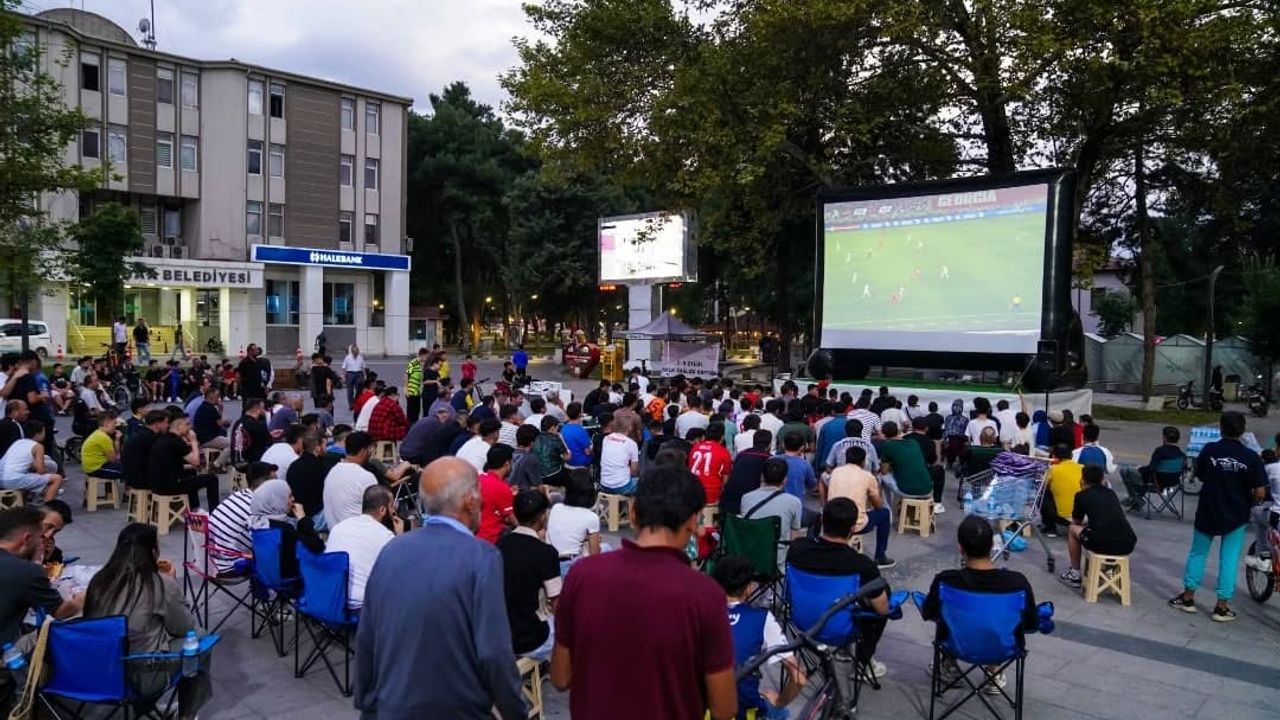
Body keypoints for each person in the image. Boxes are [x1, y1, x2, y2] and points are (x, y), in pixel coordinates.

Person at [551, 465, 737, 720]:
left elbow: (560, 677)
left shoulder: (582, 575)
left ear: (634, 514)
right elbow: (724, 708)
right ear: (693, 522)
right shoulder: (705, 595)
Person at [355, 458, 525, 719]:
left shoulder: (393, 549)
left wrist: (368, 702)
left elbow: (367, 635)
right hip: (456, 708)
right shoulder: (481, 557)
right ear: (470, 501)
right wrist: (515, 712)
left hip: (393, 705)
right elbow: (494, 652)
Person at [83, 523, 209, 719]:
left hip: (97, 670)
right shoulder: (158, 583)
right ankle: (187, 714)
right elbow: (185, 627)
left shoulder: (99, 580)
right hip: (141, 674)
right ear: (153, 551)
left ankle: (150, 708)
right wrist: (172, 583)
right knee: (200, 639)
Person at [920, 516, 1038, 694]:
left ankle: (949, 665)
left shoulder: (946, 580)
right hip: (1002, 649)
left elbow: (929, 612)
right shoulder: (1017, 583)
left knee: (946, 616)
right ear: (992, 545)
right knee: (1001, 621)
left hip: (957, 645)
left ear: (960, 548)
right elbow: (1031, 623)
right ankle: (993, 672)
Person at [1169, 412, 1266, 622]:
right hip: (1237, 514)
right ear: (1242, 431)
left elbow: (1200, 474)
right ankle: (1222, 607)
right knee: (1229, 559)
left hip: (1208, 510)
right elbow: (1260, 492)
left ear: (1221, 429)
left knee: (1198, 553)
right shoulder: (1251, 457)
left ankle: (1188, 598)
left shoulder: (1210, 449)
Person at [786, 498, 891, 678]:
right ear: (853, 529)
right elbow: (882, 609)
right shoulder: (861, 564)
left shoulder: (797, 548)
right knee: (880, 599)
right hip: (840, 629)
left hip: (801, 622)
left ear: (822, 521)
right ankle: (863, 661)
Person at [714, 556, 805, 718]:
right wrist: (779, 701)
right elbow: (798, 678)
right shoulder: (762, 618)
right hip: (742, 711)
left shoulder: (700, 614)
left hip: (704, 707)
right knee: (781, 712)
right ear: (749, 588)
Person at [0, 507, 83, 647]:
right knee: (64, 630)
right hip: (5, 650)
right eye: (40, 538)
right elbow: (60, 612)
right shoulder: (27, 572)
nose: (44, 541)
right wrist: (80, 599)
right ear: (27, 539)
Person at [498, 489, 562, 661]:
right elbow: (557, 602)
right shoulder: (545, 552)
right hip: (532, 639)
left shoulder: (500, 543)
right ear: (542, 516)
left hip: (502, 635)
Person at [1059, 464, 1137, 588]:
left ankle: (1075, 573)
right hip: (1128, 542)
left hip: (1102, 543)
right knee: (1109, 534)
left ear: (1082, 480)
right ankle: (1109, 574)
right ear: (1102, 479)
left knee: (1072, 530)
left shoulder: (1081, 496)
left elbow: (1076, 522)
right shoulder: (1111, 493)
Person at [326, 484, 402, 609]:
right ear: (383, 510)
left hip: (331, 600)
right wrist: (400, 538)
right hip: (362, 606)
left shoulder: (339, 527)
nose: (394, 511)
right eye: (392, 507)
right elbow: (402, 571)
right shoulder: (385, 536)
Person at [827, 446, 894, 568]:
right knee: (884, 513)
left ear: (846, 459)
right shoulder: (867, 476)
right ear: (864, 461)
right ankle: (880, 557)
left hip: (831, 520)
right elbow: (878, 505)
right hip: (854, 524)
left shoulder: (835, 472)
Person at [206, 461, 274, 574]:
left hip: (210, 560)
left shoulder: (241, 495)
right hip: (231, 565)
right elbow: (266, 544)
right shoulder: (257, 508)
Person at [739, 457, 804, 570]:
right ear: (785, 479)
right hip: (776, 563)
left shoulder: (746, 498)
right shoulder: (794, 502)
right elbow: (794, 539)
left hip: (749, 558)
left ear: (762, 477)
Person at [547, 469, 602, 569]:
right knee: (606, 548)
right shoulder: (591, 517)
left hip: (551, 562)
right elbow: (595, 556)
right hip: (571, 565)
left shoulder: (556, 508)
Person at [1120, 426, 1184, 512]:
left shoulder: (1160, 451)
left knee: (1125, 471)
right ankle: (1136, 499)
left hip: (1156, 481)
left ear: (1164, 438)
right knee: (1138, 476)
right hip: (1173, 482)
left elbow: (1151, 469)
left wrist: (1139, 469)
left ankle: (1135, 499)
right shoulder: (1181, 455)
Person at [322, 431, 378, 529]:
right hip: (359, 532)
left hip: (334, 531)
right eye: (369, 449)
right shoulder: (365, 477)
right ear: (363, 451)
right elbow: (377, 511)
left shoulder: (332, 472)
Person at [0, 422, 64, 503]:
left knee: (36, 470)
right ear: (37, 434)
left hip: (1, 478)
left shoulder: (18, 442)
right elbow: (41, 471)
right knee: (57, 478)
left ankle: (29, 498)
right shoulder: (37, 446)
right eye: (43, 432)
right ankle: (47, 506)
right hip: (13, 480)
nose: (44, 435)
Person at [878, 420, 936, 509]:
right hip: (928, 489)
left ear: (885, 435)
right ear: (898, 431)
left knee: (881, 477)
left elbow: (884, 471)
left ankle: (888, 510)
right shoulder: (914, 443)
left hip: (907, 491)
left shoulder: (888, 446)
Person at [719, 430, 773, 516]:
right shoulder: (769, 459)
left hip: (728, 501)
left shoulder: (742, 454)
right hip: (750, 504)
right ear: (769, 445)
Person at [1247, 450, 1280, 570]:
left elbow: (1260, 491)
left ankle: (1263, 556)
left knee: (1256, 512)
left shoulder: (1271, 468)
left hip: (1277, 514)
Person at [477, 444, 517, 543]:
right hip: (491, 540)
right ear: (507, 464)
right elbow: (513, 521)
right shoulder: (502, 488)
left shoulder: (478, 479)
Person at [1042, 444, 1083, 537]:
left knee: (1041, 494)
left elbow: (1043, 486)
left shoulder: (1053, 469)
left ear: (1054, 456)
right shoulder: (1082, 467)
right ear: (1071, 455)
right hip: (1083, 515)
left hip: (1063, 516)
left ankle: (1050, 528)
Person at [122, 409, 168, 491]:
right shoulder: (153, 439)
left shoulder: (140, 434)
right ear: (157, 423)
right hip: (143, 481)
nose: (167, 425)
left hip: (130, 478)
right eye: (166, 422)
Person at [689, 422, 732, 506]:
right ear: (722, 437)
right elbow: (725, 479)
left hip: (693, 490)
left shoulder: (695, 448)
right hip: (712, 493)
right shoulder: (723, 452)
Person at [81, 413, 124, 481]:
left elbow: (114, 455)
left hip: (94, 466)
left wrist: (117, 440)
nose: (115, 426)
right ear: (107, 423)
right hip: (96, 469)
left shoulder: (98, 433)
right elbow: (114, 460)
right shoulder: (104, 438)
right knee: (130, 471)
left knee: (128, 466)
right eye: (114, 423)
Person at [229, 398, 272, 465]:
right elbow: (267, 443)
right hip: (252, 463)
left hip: (236, 461)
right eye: (263, 408)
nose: (264, 411)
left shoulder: (238, 423)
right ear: (257, 409)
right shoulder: (258, 425)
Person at [533, 416, 570, 487]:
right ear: (552, 428)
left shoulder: (536, 438)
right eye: (557, 428)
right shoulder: (555, 439)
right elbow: (567, 457)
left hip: (539, 475)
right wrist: (561, 438)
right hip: (554, 473)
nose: (558, 430)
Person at [402, 347, 429, 425]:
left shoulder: (420, 364)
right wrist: (406, 389)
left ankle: (414, 426)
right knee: (411, 412)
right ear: (422, 355)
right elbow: (406, 375)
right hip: (411, 391)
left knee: (417, 411)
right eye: (426, 356)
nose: (427, 359)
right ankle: (410, 427)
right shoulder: (413, 362)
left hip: (417, 391)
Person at [941, 399, 969, 467]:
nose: (956, 408)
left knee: (955, 442)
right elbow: (946, 430)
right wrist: (944, 439)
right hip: (949, 439)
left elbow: (966, 433)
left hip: (959, 439)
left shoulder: (965, 419)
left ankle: (953, 461)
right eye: (955, 406)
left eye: (958, 406)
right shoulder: (948, 418)